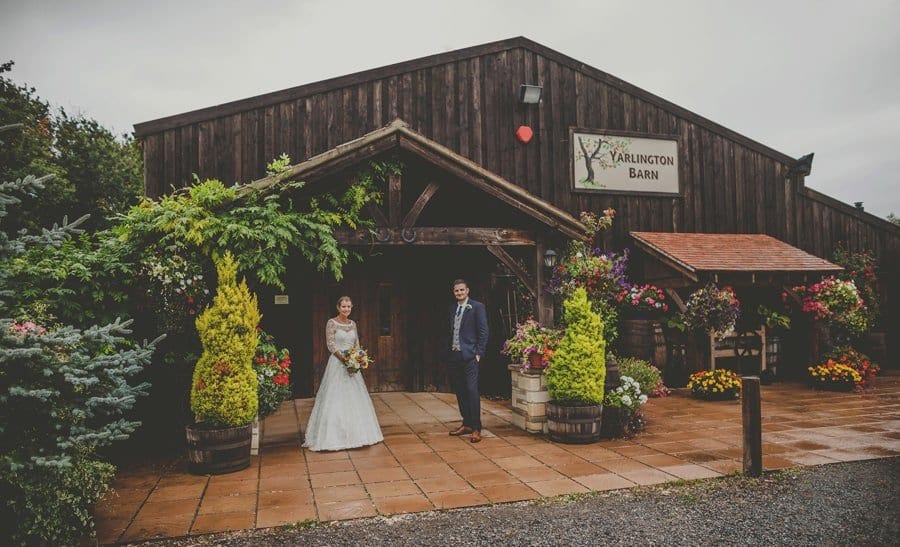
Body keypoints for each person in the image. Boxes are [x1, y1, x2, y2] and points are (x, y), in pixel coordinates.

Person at [302, 296, 383, 451]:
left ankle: (358, 435)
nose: (346, 309)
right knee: (335, 397)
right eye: (344, 307)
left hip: (352, 364)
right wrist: (345, 359)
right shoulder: (331, 323)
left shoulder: (353, 324)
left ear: (351, 307)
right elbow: (331, 345)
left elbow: (356, 344)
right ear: (338, 307)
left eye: (349, 307)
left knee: (355, 398)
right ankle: (334, 436)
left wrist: (358, 359)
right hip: (338, 363)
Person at [445, 279, 489, 443]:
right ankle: (467, 424)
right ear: (454, 292)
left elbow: (484, 331)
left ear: (467, 290)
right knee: (460, 391)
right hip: (454, 356)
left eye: (462, 290)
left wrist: (479, 353)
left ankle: (477, 428)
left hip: (470, 356)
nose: (459, 293)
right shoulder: (452, 309)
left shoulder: (477, 307)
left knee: (472, 390)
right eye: (457, 291)